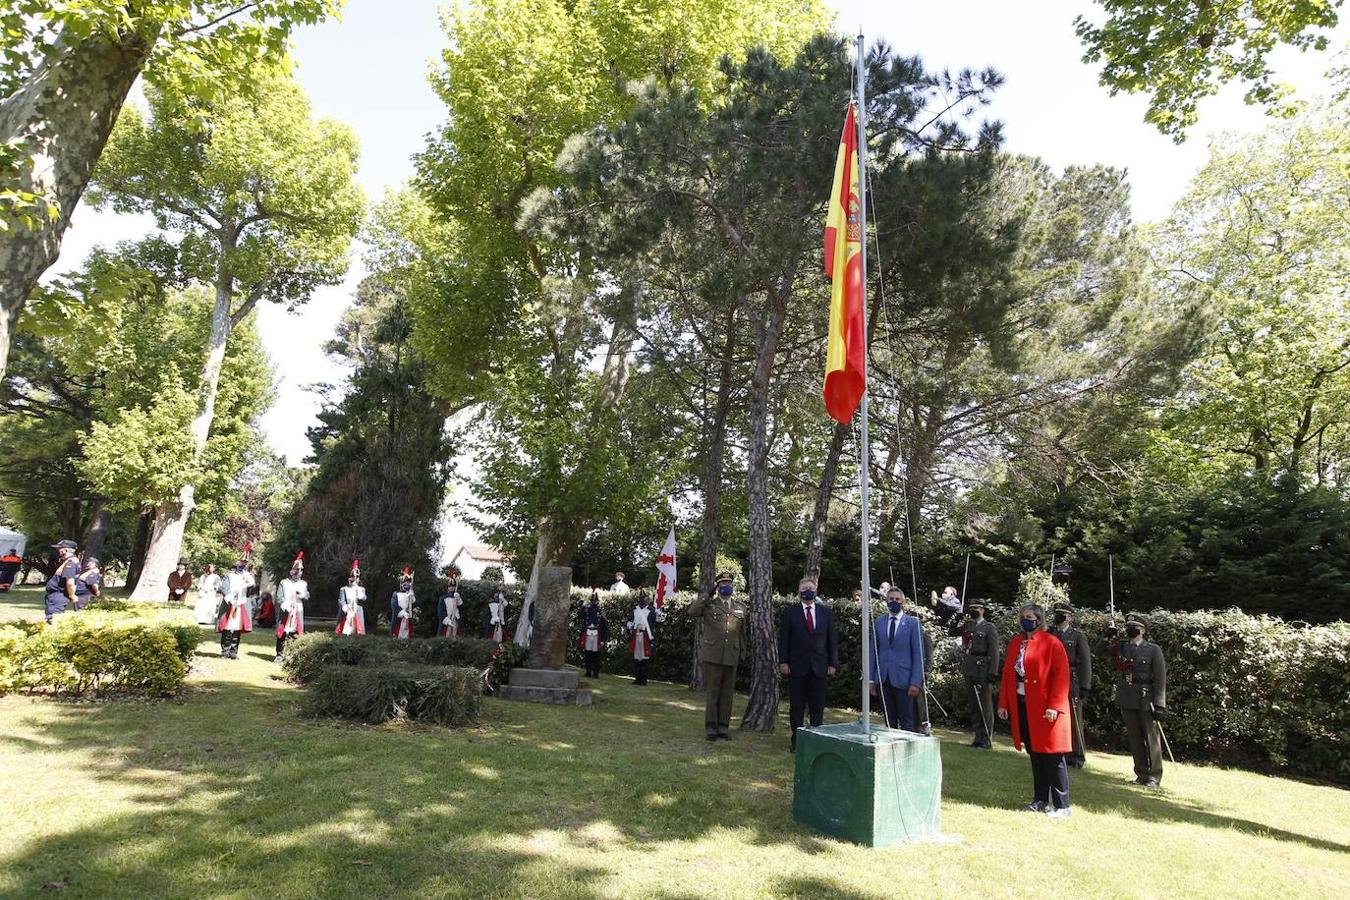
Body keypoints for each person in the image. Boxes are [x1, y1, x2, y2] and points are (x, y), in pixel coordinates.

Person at [997, 603, 1073, 818]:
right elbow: (1007, 676)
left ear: (1039, 620)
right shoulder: (1016, 644)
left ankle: (1062, 805)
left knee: (1052, 756)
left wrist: (1054, 706)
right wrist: (1004, 703)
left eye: (1030, 616)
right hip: (1023, 704)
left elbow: (1061, 678)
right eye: (1023, 616)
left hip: (1045, 708)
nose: (1026, 620)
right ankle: (1040, 799)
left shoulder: (1052, 643)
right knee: (1035, 755)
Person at [1098, 614, 1168, 787]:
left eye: (1134, 626)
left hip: (1146, 698)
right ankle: (1141, 774)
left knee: (1151, 737)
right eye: (1128, 626)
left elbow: (1160, 678)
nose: (1130, 629)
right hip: (1127, 696)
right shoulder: (1122, 647)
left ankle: (1154, 776)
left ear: (1142, 630)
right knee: (1135, 737)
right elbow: (1098, 651)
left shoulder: (1153, 650)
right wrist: (1107, 635)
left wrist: (1160, 703)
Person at [778, 576, 839, 750]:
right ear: (799, 592)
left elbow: (831, 640)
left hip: (819, 667)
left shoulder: (825, 612)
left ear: (816, 590)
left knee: (817, 706)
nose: (808, 591)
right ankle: (797, 742)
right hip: (797, 667)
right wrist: (783, 661)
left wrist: (833, 663)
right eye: (804, 588)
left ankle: (816, 742)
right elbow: (784, 640)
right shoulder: (790, 612)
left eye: (811, 588)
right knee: (796, 706)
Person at [688, 571, 746, 741]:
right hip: (713, 654)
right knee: (713, 692)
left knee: (727, 694)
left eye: (729, 583)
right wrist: (707, 595)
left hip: (731, 654)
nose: (726, 586)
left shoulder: (740, 607)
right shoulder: (709, 605)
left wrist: (742, 651)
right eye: (722, 584)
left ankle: (723, 728)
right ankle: (711, 728)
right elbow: (692, 611)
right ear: (718, 586)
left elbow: (742, 633)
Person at [868, 587, 924, 731]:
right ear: (886, 601)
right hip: (883, 679)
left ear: (903, 602)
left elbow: (918, 655)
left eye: (897, 599)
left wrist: (916, 682)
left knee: (907, 722)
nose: (894, 602)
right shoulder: (879, 622)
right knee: (889, 722)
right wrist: (871, 679)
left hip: (905, 680)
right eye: (891, 599)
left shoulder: (913, 624)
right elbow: (873, 652)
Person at [1049, 603, 1093, 768]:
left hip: (1071, 679)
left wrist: (1085, 685)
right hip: (1052, 679)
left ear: (1070, 618)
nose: (1059, 617)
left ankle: (1077, 755)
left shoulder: (1077, 636)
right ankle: (1059, 751)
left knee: (1074, 718)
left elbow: (1085, 662)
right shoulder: (1050, 633)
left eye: (1063, 614)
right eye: (1057, 614)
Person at [959, 600, 1000, 749]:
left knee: (985, 704)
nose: (973, 610)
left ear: (982, 610)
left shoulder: (989, 628)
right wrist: (957, 618)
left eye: (976, 608)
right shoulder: (968, 626)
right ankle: (978, 736)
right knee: (974, 704)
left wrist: (992, 671)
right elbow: (953, 632)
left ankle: (987, 737)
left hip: (982, 667)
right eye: (971, 608)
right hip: (969, 665)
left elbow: (994, 651)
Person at [216, 557, 254, 659]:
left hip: (241, 604)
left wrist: (248, 580)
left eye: (244, 563)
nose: (242, 565)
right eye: (241, 563)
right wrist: (230, 597)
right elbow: (224, 587)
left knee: (237, 628)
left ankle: (233, 652)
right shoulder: (229, 575)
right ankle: (225, 651)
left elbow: (251, 590)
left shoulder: (248, 576)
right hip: (230, 604)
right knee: (227, 627)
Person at [274, 554, 307, 662]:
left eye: (300, 571)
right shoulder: (284, 582)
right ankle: (279, 655)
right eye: (296, 570)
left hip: (298, 610)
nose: (298, 573)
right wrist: (284, 605)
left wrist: (302, 594)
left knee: (295, 633)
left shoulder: (303, 583)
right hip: (286, 609)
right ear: (291, 571)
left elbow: (307, 595)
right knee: (282, 633)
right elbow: (279, 596)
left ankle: (291, 655)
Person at [44, 539, 86, 623]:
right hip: (56, 595)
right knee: (52, 617)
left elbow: (70, 582)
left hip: (58, 595)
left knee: (53, 618)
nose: (58, 551)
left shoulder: (71, 563)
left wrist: (72, 595)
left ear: (65, 550)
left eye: (59, 549)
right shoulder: (68, 561)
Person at [627, 589, 658, 686]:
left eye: (643, 598)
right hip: (636, 635)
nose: (641, 600)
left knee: (644, 659)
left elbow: (654, 625)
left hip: (645, 636)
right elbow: (630, 620)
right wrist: (629, 624)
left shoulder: (651, 610)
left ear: (646, 599)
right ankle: (637, 679)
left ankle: (643, 680)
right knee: (636, 658)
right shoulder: (634, 610)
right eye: (640, 598)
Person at [578, 590, 608, 678]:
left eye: (595, 601)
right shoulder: (587, 610)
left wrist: (603, 639)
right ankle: (588, 672)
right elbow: (579, 616)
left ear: (597, 601)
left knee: (596, 655)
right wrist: (583, 607)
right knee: (587, 654)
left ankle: (595, 673)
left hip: (597, 635)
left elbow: (605, 627)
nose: (593, 602)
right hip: (588, 633)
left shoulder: (601, 611)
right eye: (592, 601)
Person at [336, 561, 367, 636]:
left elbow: (364, 598)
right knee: (346, 630)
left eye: (356, 577)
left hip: (358, 611)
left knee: (358, 630)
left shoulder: (361, 589)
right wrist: (346, 608)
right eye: (353, 577)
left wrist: (358, 591)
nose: (354, 579)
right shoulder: (344, 589)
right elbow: (341, 600)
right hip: (347, 611)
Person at [391, 569, 416, 640]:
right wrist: (403, 613)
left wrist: (412, 593)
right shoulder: (396, 594)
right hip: (398, 620)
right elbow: (394, 607)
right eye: (405, 582)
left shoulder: (410, 594)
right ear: (401, 584)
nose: (407, 584)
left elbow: (414, 603)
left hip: (408, 621)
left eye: (408, 582)